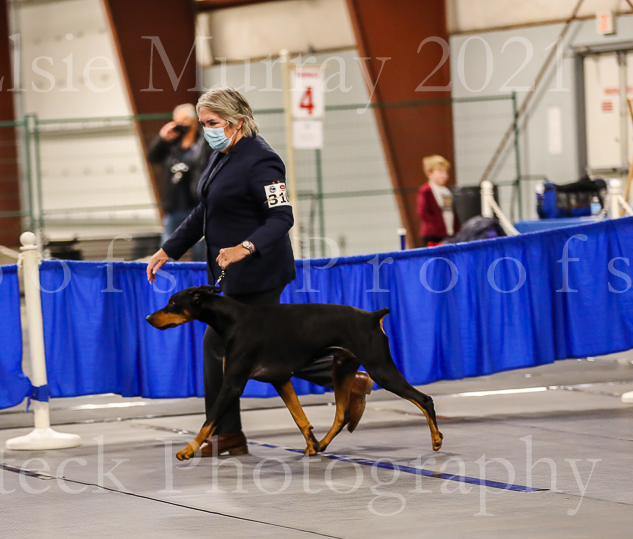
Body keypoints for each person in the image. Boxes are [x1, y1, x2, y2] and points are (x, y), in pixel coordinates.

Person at [145, 87, 372, 457]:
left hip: (259, 272)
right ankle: (347, 379)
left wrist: (245, 247)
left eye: (212, 123)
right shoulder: (219, 156)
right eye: (203, 123)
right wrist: (168, 249)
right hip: (230, 273)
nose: (206, 130)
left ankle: (227, 435)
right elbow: (204, 212)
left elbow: (281, 217)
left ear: (236, 122)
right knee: (260, 348)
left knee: (224, 346)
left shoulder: (262, 160)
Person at [147, 104, 211, 261]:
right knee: (166, 246)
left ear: (194, 121)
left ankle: (201, 276)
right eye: (177, 121)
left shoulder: (204, 143)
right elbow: (152, 156)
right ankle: (165, 275)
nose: (181, 124)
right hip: (174, 204)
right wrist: (162, 138)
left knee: (200, 248)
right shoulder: (171, 143)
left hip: (195, 203)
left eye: (184, 120)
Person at [417, 155, 459, 246]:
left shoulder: (447, 191)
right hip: (434, 235)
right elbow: (422, 212)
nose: (444, 175)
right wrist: (437, 225)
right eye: (440, 172)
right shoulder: (426, 190)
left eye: (445, 172)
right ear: (429, 173)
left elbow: (450, 211)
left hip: (449, 234)